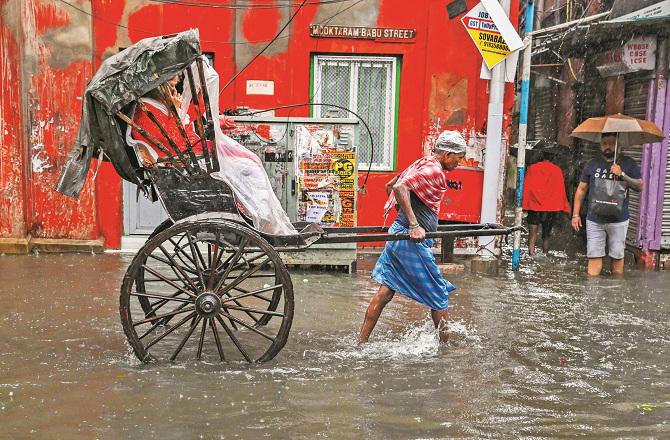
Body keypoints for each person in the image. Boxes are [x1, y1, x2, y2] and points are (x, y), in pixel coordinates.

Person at [357, 130, 466, 344]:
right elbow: (399, 187)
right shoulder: (433, 170)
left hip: (398, 234)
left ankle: (361, 342)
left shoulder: (422, 163)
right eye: (459, 157)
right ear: (446, 154)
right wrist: (414, 224)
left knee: (386, 291)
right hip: (409, 241)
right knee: (439, 294)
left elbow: (390, 186)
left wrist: (406, 216)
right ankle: (446, 348)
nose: (460, 162)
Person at [571, 133, 643, 276]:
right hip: (594, 220)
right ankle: (594, 293)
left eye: (611, 143)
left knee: (617, 257)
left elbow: (640, 186)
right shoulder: (592, 164)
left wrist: (622, 174)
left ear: (618, 144)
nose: (607, 146)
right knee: (594, 256)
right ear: (600, 145)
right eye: (604, 143)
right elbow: (581, 189)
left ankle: (615, 293)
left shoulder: (628, 163)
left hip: (619, 220)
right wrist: (575, 215)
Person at [521, 151, 570, 256]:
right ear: (553, 158)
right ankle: (545, 255)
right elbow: (560, 190)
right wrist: (563, 206)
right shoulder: (557, 170)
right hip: (550, 208)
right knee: (546, 235)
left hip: (534, 206)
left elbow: (527, 187)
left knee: (532, 234)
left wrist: (524, 205)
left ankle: (532, 254)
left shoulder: (532, 168)